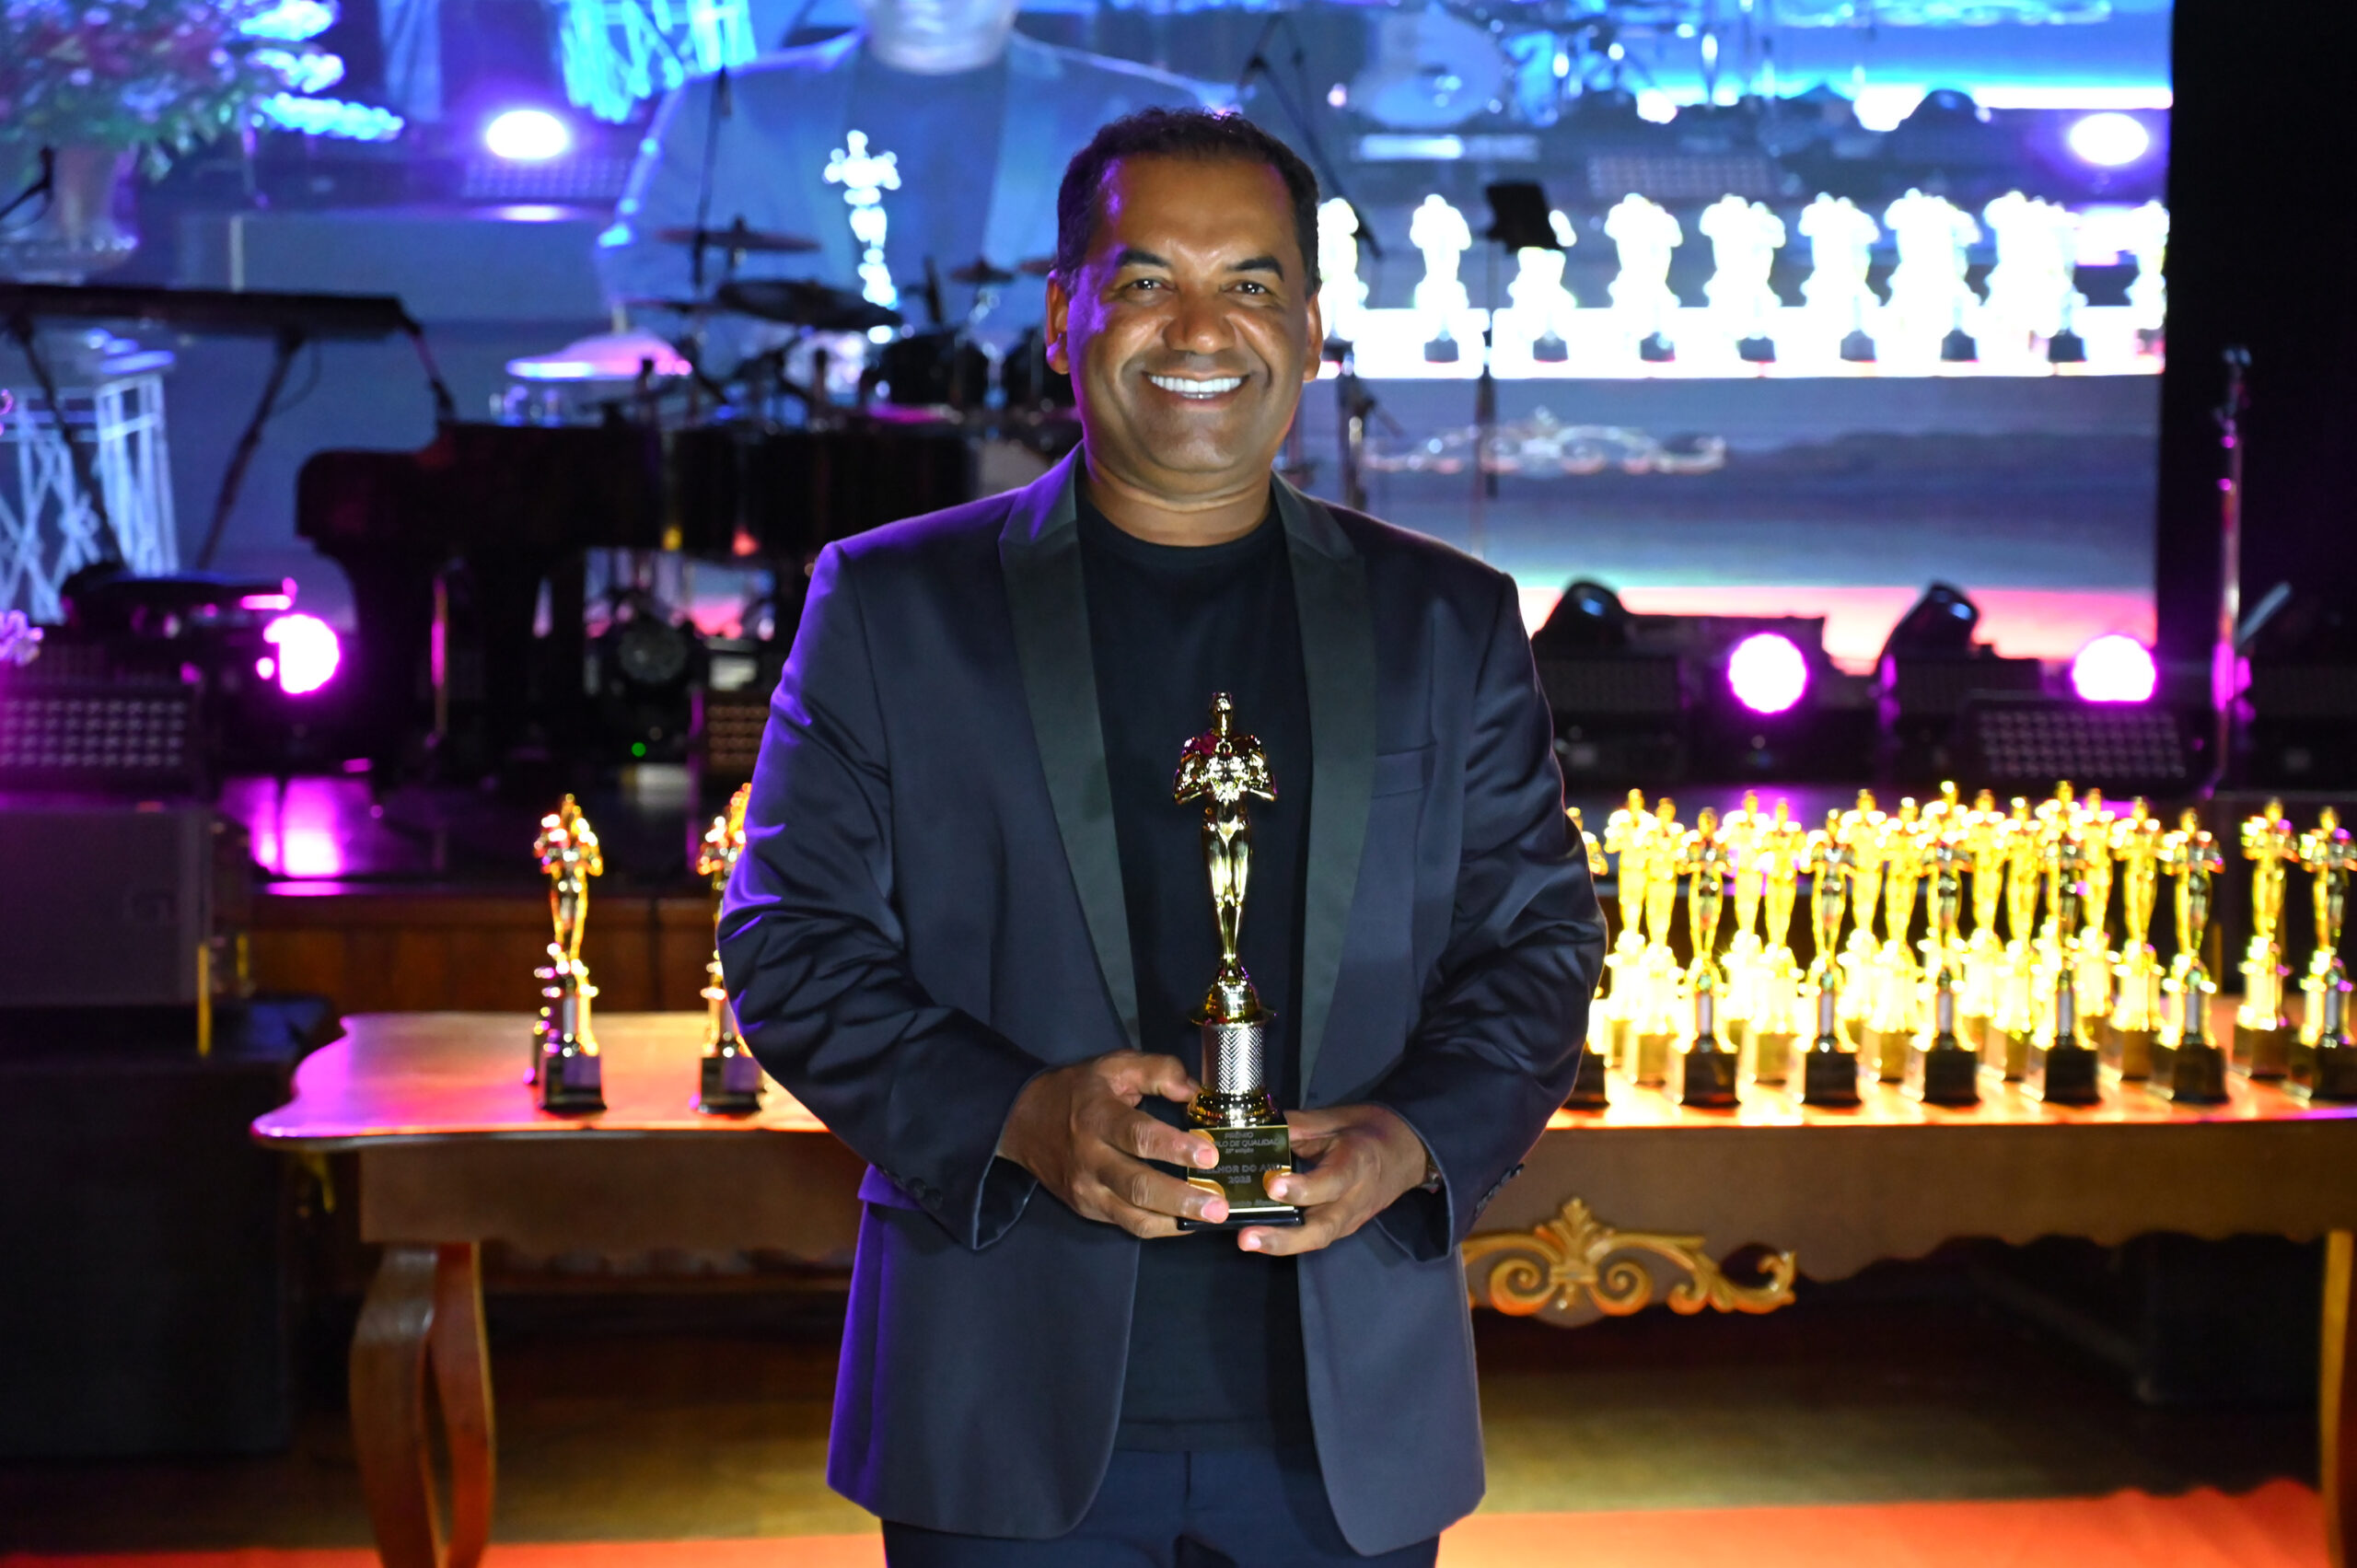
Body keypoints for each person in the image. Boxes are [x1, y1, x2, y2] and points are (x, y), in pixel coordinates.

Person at [721, 108, 1605, 1565]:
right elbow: (789, 941)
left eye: (1250, 283)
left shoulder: (1443, 617)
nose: (1201, 327)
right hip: (997, 1399)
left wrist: (1407, 1141)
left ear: (1309, 328)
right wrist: (1020, 1116)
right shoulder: (894, 603)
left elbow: (1539, 943)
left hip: (1347, 1417)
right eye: (1147, 280)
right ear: (1062, 314)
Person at [595, 0, 1220, 356]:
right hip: (803, 461)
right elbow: (642, 267)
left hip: (1057, 470)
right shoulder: (727, 106)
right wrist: (762, 343)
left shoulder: (1143, 112)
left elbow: (1212, 286)